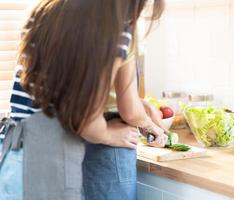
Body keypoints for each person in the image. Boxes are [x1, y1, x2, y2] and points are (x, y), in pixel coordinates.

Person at [0, 0, 166, 199]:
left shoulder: (42, 11)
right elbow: (88, 121)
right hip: (61, 155)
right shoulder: (114, 31)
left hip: (15, 151)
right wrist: (111, 134)